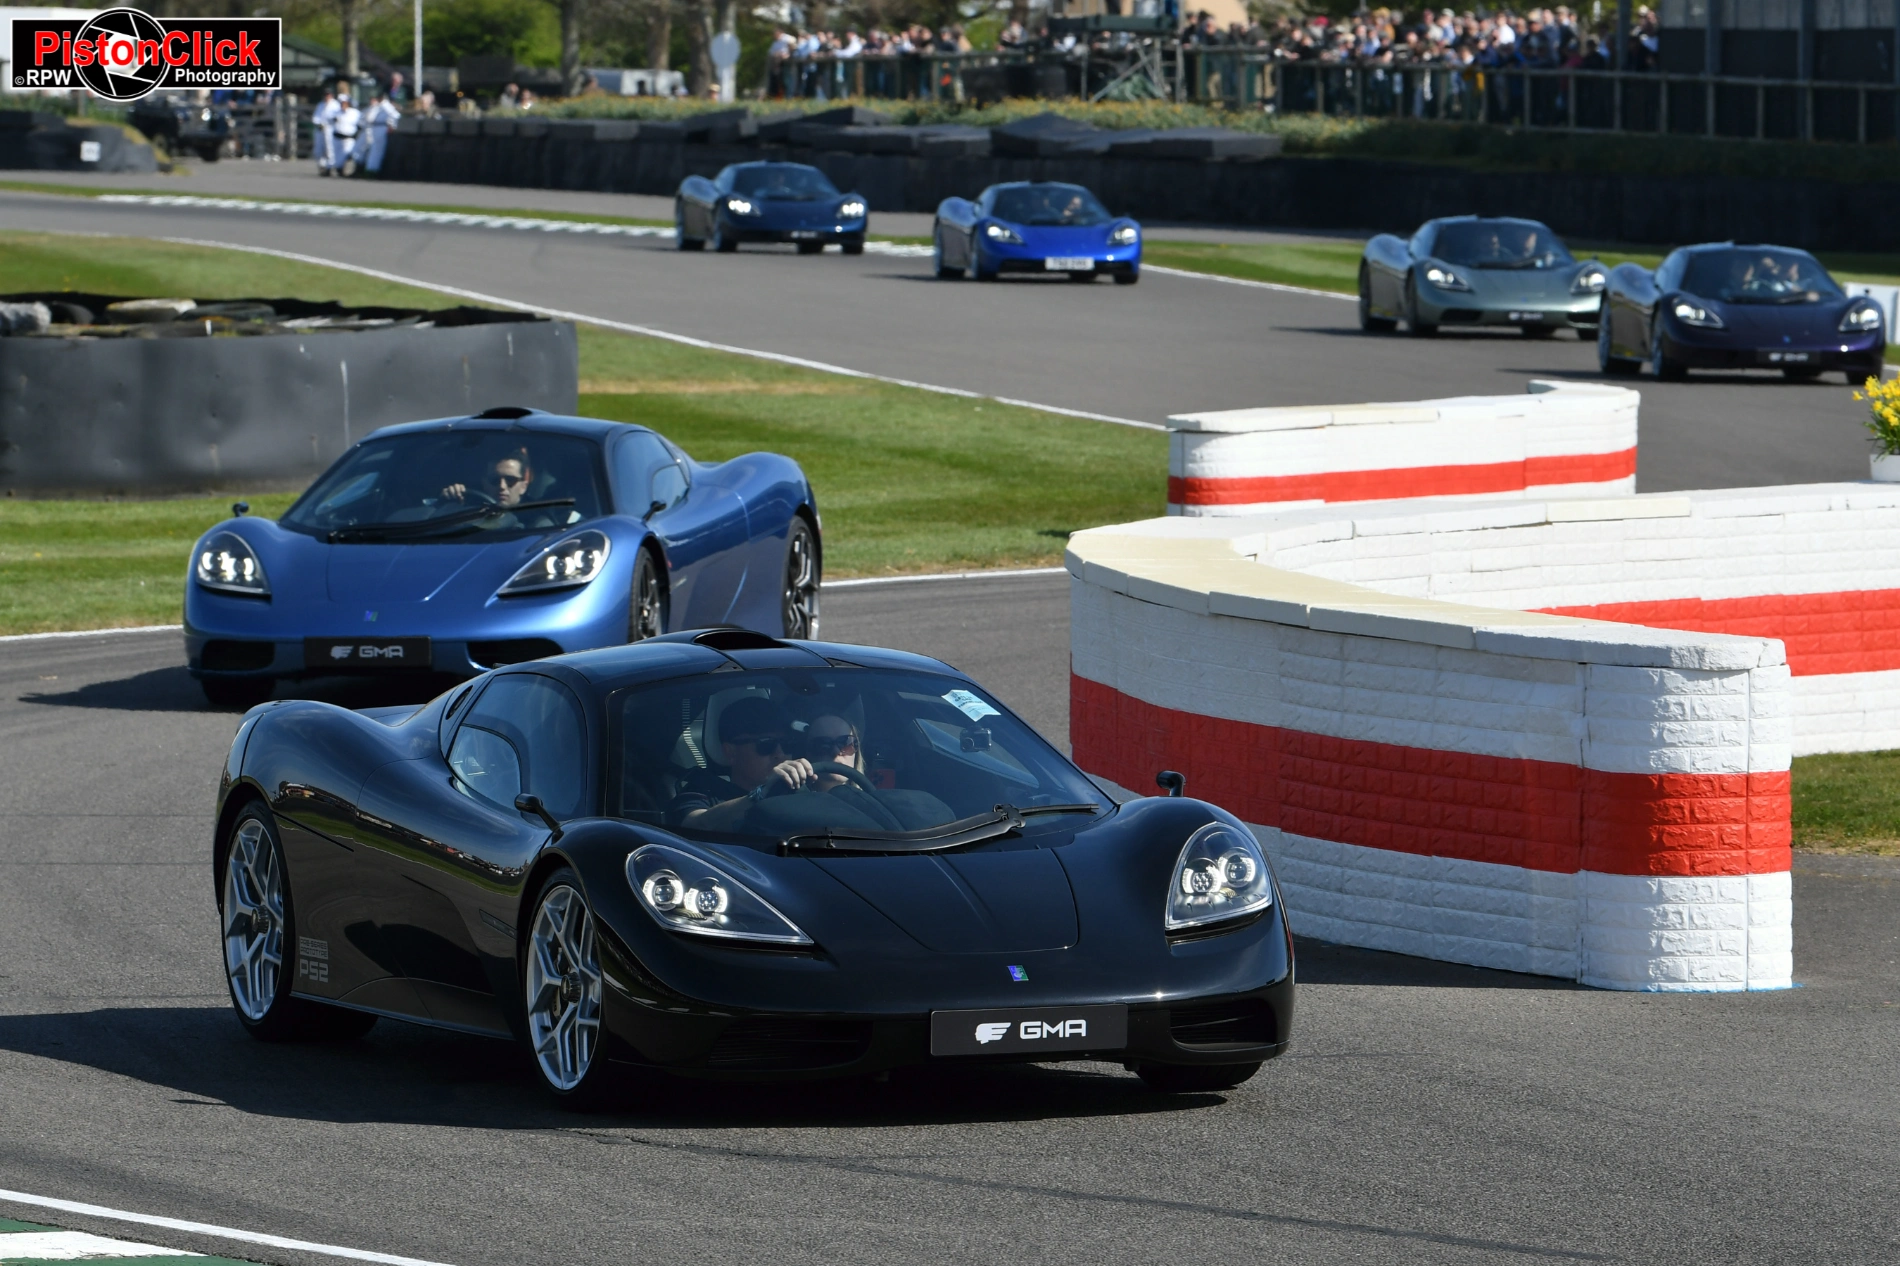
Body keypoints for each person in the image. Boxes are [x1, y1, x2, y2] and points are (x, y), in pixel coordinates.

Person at [669, 698, 815, 829]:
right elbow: (697, 824)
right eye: (766, 745)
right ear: (730, 752)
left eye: (787, 744)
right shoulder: (703, 791)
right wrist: (761, 795)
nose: (780, 754)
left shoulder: (803, 789)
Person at [361, 89, 400, 174]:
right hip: (375, 127)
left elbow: (395, 115)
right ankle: (370, 169)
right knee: (373, 150)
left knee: (378, 151)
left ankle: (373, 170)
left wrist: (392, 126)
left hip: (382, 127)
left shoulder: (386, 105)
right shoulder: (379, 106)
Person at [331, 88, 361, 177]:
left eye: (344, 103)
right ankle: (339, 170)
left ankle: (347, 169)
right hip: (337, 137)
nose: (343, 105)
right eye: (341, 103)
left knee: (348, 153)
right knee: (337, 155)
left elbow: (360, 123)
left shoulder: (355, 113)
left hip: (348, 138)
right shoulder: (336, 112)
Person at [311, 86, 339, 175]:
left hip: (330, 129)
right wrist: (318, 123)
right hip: (320, 129)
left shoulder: (335, 105)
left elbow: (336, 117)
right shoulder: (321, 104)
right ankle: (322, 166)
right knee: (319, 149)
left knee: (329, 149)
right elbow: (316, 116)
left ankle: (330, 167)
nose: (327, 97)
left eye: (328, 95)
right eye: (325, 95)